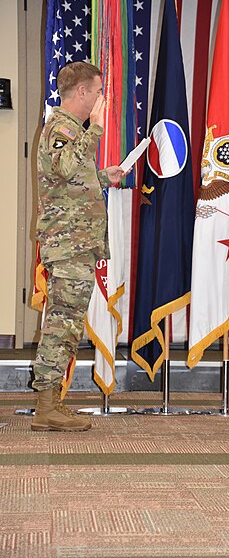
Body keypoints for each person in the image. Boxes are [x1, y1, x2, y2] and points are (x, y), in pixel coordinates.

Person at [31, 62, 126, 432]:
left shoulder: (70, 130)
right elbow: (66, 167)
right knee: (61, 323)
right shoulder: (62, 127)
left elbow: (69, 180)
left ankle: (52, 402)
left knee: (67, 323)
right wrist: (97, 129)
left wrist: (103, 176)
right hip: (68, 244)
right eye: (98, 92)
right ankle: (45, 404)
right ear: (82, 92)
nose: (100, 100)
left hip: (77, 242)